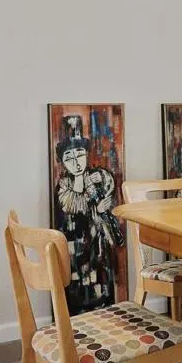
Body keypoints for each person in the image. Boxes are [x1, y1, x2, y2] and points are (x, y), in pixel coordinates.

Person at [53, 115, 124, 314]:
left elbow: (110, 184)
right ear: (62, 162)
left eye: (80, 154)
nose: (76, 162)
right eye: (69, 157)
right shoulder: (63, 187)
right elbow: (73, 207)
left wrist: (102, 182)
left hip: (98, 252)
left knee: (102, 292)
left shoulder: (96, 177)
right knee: (78, 296)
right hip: (74, 254)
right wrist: (96, 209)